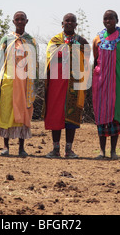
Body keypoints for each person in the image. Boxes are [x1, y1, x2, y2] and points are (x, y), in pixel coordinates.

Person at [43, 13, 90, 158]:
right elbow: (49, 58)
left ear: (76, 25)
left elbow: (86, 63)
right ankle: (55, 149)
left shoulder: (82, 42)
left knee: (72, 115)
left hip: (74, 83)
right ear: (62, 24)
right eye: (66, 21)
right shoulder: (55, 40)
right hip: (56, 83)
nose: (69, 23)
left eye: (72, 21)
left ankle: (68, 150)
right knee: (55, 115)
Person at [0, 11, 38, 157]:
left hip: (24, 83)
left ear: (27, 21)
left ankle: (21, 148)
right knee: (6, 111)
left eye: (22, 19)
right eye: (17, 19)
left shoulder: (31, 41)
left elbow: (34, 65)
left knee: (23, 112)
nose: (20, 22)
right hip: (8, 81)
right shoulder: (6, 39)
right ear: (13, 21)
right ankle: (5, 146)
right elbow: (0, 62)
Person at [92, 10, 120, 160]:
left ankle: (113, 151)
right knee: (102, 114)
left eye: (111, 18)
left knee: (116, 114)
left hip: (119, 82)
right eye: (105, 18)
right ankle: (102, 151)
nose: (108, 20)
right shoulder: (97, 39)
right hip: (101, 82)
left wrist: (115, 69)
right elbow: (96, 60)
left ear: (117, 20)